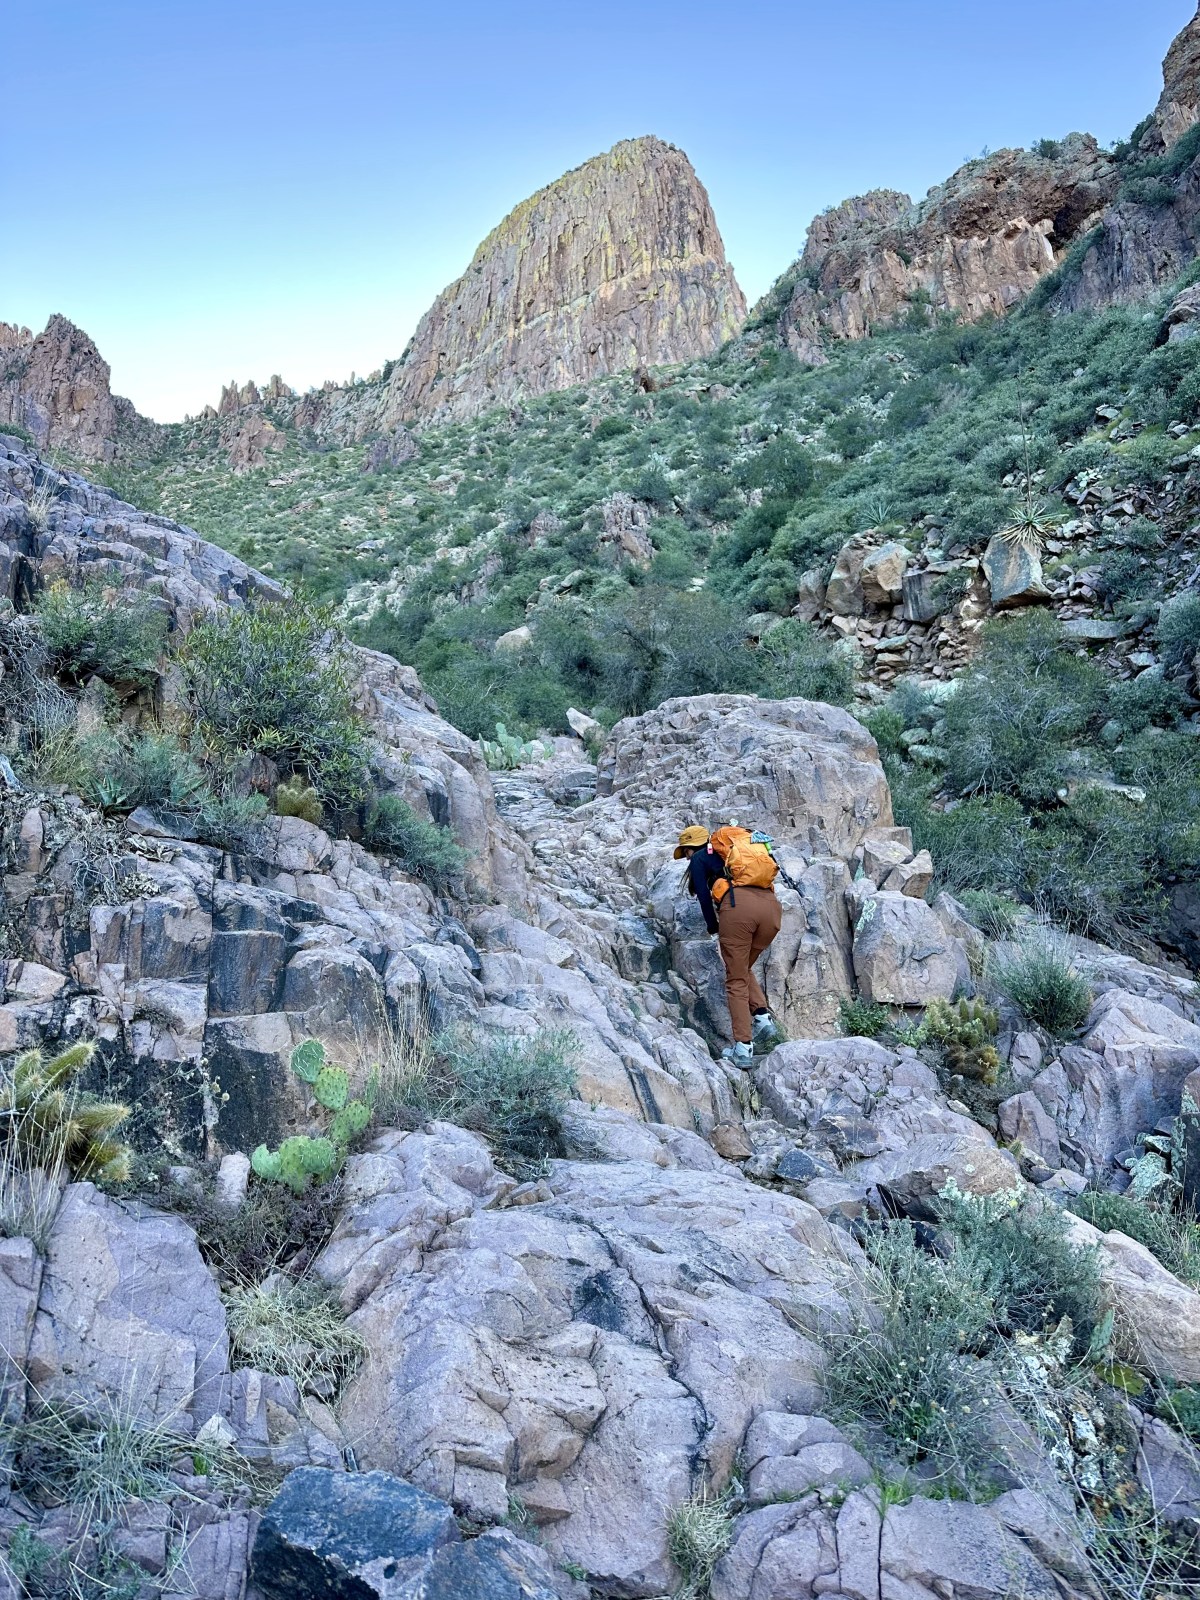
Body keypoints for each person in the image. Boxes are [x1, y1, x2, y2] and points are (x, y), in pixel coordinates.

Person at [674, 824, 782, 1067]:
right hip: (772, 909)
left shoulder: (700, 859)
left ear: (692, 847)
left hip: (738, 909)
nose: (687, 858)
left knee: (735, 979)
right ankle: (763, 1020)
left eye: (686, 852)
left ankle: (743, 1048)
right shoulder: (736, 854)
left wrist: (714, 927)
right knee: (741, 967)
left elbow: (703, 896)